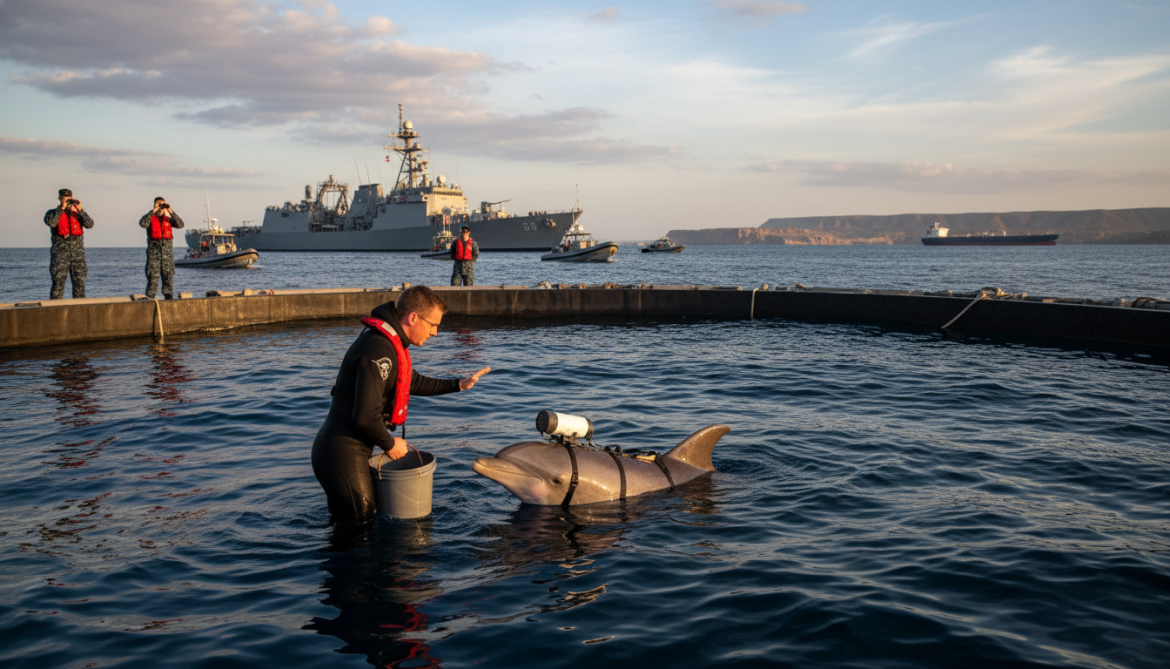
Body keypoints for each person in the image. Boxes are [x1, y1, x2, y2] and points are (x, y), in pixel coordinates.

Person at [312, 285, 491, 525]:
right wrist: (389, 444)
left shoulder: (389, 344)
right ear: (413, 317)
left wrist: (458, 384)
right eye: (433, 324)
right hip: (340, 451)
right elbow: (364, 416)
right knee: (358, 526)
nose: (435, 332)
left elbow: (412, 381)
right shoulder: (378, 350)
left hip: (347, 448)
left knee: (353, 524)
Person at [43, 188, 95, 299]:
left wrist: (80, 209)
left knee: (79, 286)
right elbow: (52, 222)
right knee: (58, 285)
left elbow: (90, 224)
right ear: (60, 199)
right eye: (65, 198)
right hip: (60, 256)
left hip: (78, 256)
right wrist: (61, 208)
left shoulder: (77, 213)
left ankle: (79, 311)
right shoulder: (51, 213)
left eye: (69, 198)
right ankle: (55, 311)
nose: (67, 201)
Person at [138, 196, 185, 300]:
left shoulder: (168, 219)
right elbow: (142, 224)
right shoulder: (150, 218)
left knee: (168, 276)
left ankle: (168, 296)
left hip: (167, 254)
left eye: (162, 204)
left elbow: (181, 224)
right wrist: (153, 211)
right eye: (158, 204)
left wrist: (171, 211)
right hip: (154, 253)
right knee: (152, 277)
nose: (160, 207)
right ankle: (150, 297)